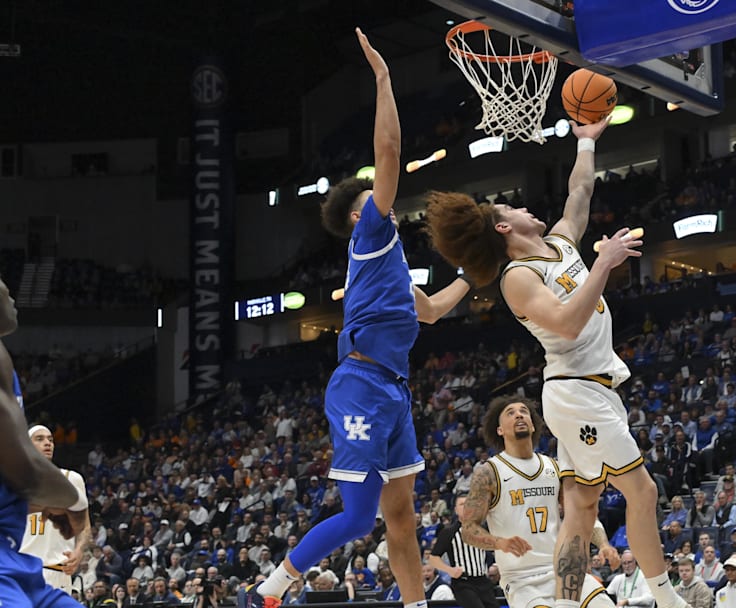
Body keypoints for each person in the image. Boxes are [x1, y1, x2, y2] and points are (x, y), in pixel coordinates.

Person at [245, 28, 471, 608]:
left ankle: (415, 604)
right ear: (357, 213)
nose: (385, 196)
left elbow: (433, 311)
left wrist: (477, 273)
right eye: (373, 195)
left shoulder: (389, 264)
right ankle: (271, 587)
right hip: (362, 384)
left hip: (392, 389)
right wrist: (383, 78)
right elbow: (390, 153)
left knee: (401, 514)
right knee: (358, 517)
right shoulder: (369, 233)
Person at [426, 118, 687, 608]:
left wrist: (586, 141)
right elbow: (566, 324)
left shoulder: (562, 243)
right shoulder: (517, 277)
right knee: (643, 492)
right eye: (513, 207)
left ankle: (567, 605)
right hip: (575, 389)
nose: (526, 207)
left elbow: (579, 192)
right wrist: (604, 264)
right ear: (505, 227)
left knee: (582, 509)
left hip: (591, 388)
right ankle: (668, 599)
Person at [458, 396, 617, 608]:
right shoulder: (489, 472)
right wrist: (499, 543)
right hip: (521, 579)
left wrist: (604, 544)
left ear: (533, 425)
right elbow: (468, 530)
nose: (519, 414)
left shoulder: (555, 467)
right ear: (499, 430)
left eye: (524, 411)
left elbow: (579, 514)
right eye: (510, 412)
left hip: (564, 568)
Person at [0, 275, 89, 607]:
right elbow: (24, 468)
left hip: (18, 563)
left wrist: (48, 504)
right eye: (6, 294)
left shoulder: (5, 363)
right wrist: (72, 501)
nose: (12, 302)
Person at [20, 424, 92, 596]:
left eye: (50, 440)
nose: (48, 443)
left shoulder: (71, 479)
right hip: (20, 574)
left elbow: (84, 526)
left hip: (56, 572)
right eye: (40, 439)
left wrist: (79, 550)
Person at [430, 495, 500, 608]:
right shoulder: (449, 532)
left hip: (483, 580)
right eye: (462, 504)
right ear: (456, 510)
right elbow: (433, 559)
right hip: (463, 582)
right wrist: (449, 570)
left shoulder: (483, 530)